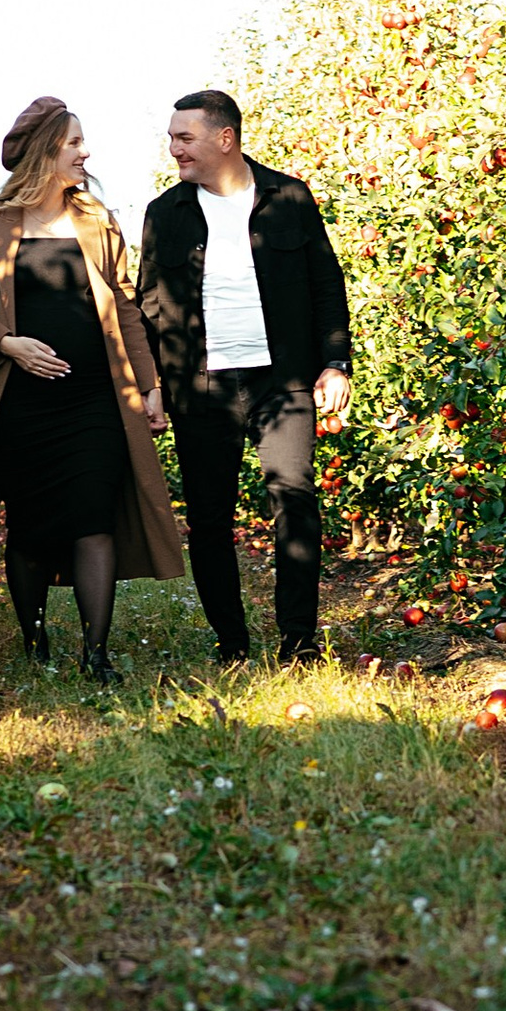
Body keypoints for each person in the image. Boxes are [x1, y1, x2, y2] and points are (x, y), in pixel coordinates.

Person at [0, 97, 184, 678]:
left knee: (94, 518)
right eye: (74, 143)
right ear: (44, 152)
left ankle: (96, 653)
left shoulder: (96, 219)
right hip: (21, 402)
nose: (85, 152)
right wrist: (7, 343)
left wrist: (151, 386)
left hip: (96, 396)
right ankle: (35, 642)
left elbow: (125, 307)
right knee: (32, 527)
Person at [135, 87, 351, 667]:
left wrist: (334, 362)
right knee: (209, 515)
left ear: (224, 139)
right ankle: (231, 643)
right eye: (173, 138)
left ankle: (299, 641)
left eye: (185, 138)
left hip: (280, 380)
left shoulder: (289, 197)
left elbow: (326, 284)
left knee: (295, 498)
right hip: (199, 385)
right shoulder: (166, 214)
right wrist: (151, 384)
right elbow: (147, 307)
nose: (174, 149)